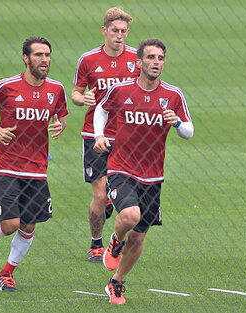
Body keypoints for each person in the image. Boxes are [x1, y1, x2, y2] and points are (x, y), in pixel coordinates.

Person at [93, 38, 194, 304]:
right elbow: (101, 111)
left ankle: (116, 283)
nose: (156, 63)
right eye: (150, 58)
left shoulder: (173, 95)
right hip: (121, 168)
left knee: (138, 239)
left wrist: (177, 122)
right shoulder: (121, 89)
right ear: (139, 62)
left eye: (160, 58)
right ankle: (115, 240)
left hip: (153, 176)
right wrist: (99, 135)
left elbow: (189, 132)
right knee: (129, 216)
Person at [0, 36, 68, 292]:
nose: (45, 60)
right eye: (39, 55)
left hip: (37, 170)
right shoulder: (7, 86)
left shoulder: (56, 89)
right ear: (26, 58)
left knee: (29, 225)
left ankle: (6, 274)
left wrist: (60, 125)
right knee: (10, 226)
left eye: (48, 55)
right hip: (7, 166)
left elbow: (61, 115)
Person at [71, 7, 140, 263]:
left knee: (129, 189)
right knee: (99, 195)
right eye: (114, 31)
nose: (119, 36)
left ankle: (114, 216)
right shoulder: (88, 60)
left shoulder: (137, 59)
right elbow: (76, 93)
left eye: (123, 31)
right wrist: (82, 98)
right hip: (95, 134)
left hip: (127, 136)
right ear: (104, 31)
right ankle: (96, 243)